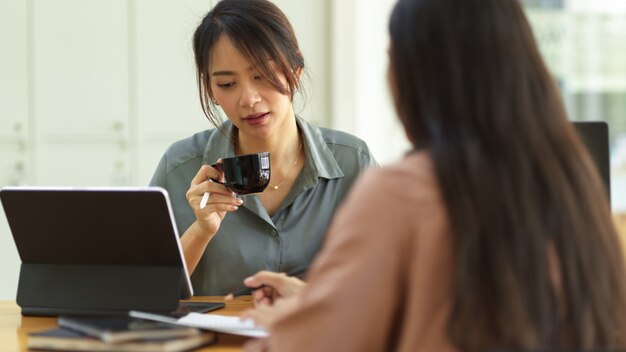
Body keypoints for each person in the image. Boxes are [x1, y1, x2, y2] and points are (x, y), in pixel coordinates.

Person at [240, 0, 626, 350]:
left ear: (415, 77)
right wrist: (317, 301)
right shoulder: (574, 184)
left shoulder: (400, 191)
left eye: (392, 58)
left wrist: (288, 326)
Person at [149, 0, 376, 295]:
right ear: (211, 91)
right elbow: (148, 294)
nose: (249, 99)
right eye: (228, 84)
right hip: (220, 341)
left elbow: (391, 283)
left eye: (261, 76)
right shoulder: (179, 167)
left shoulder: (353, 163)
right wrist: (201, 231)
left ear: (294, 72)